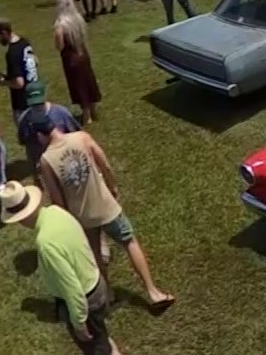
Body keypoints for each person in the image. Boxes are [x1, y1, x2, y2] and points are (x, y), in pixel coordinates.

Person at [30, 112, 174, 312]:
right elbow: (104, 164)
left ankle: (108, 294)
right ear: (53, 126)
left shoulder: (46, 161)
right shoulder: (81, 137)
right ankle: (152, 292)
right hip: (106, 207)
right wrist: (112, 185)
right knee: (129, 241)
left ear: (39, 135)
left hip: (83, 217)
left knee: (96, 254)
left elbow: (57, 200)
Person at [0, 181, 122, 355]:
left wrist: (79, 323)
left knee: (97, 350)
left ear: (21, 218)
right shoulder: (57, 212)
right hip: (96, 283)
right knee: (101, 336)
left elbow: (70, 287)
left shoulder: (45, 243)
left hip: (85, 301)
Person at [53, 0, 102, 123]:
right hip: (83, 54)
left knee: (78, 85)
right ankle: (94, 111)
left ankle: (86, 115)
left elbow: (60, 46)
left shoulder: (60, 25)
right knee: (88, 81)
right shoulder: (79, 19)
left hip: (71, 58)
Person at [0, 18, 41, 143]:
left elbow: (19, 83)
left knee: (30, 139)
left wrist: (4, 82)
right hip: (36, 93)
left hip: (23, 102)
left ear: (4, 33)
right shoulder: (24, 42)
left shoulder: (12, 53)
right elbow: (36, 61)